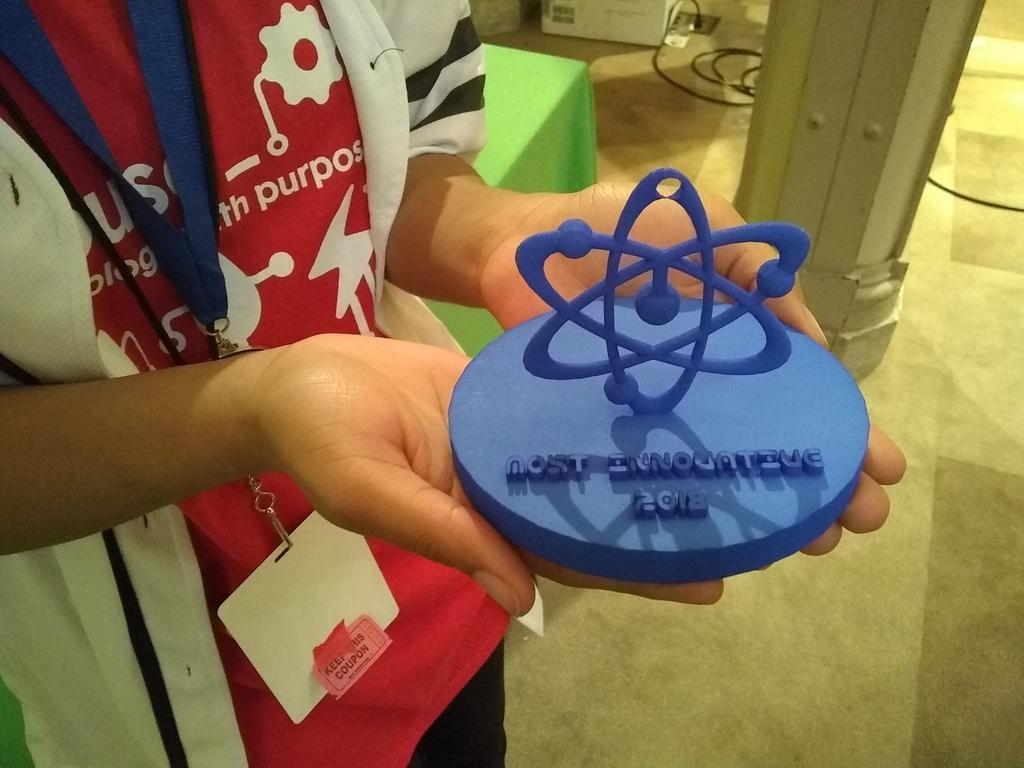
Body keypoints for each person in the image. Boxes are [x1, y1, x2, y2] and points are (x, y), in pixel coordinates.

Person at [0, 1, 906, 767]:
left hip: (442, 575)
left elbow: (396, 171)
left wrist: (506, 235)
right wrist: (249, 412)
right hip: (170, 689)